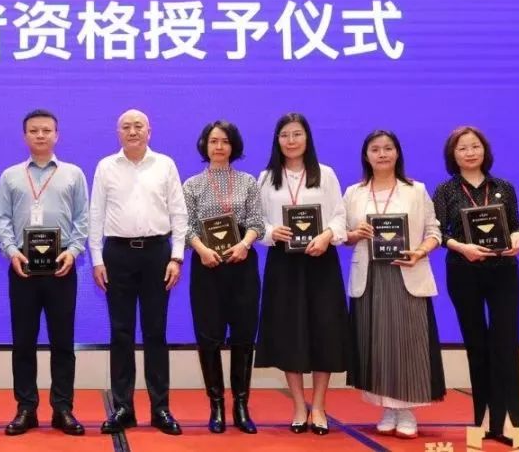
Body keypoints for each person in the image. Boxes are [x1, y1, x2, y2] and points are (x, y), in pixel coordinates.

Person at [343, 130, 446, 439]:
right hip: (370, 277)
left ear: (397, 153)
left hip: (406, 274)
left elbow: (434, 231)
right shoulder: (354, 193)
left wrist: (420, 252)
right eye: (375, 149)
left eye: (388, 148)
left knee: (408, 344)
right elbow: (342, 235)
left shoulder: (416, 190)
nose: (382, 154)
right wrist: (354, 234)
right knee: (376, 345)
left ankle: (407, 411)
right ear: (366, 156)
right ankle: (387, 408)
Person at [0, 109, 89, 437]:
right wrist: (11, 251)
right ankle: (26, 408)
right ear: (25, 136)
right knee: (23, 342)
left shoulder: (73, 174)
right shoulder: (10, 176)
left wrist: (73, 252)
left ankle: (63, 408)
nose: (40, 135)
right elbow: (1, 218)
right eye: (34, 130)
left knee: (63, 342)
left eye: (46, 130)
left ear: (56, 135)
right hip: (22, 267)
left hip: (61, 268)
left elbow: (83, 218)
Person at [90, 109, 186, 436]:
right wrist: (96, 259)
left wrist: (176, 257)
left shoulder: (165, 164)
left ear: (149, 131)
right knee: (121, 332)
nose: (132, 131)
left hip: (157, 253)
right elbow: (96, 213)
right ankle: (123, 408)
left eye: (138, 126)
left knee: (155, 332)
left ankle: (160, 408)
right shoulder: (106, 166)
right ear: (118, 133)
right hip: (116, 254)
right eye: (126, 127)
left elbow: (178, 213)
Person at [254, 112, 349, 436]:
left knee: (324, 330)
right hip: (283, 263)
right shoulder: (266, 177)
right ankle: (298, 405)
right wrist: (271, 232)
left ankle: (319, 406)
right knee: (288, 332)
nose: (291, 140)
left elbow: (340, 216)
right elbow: (257, 221)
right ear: (277, 140)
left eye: (297, 134)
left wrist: (327, 236)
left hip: (321, 261)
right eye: (285, 135)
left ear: (307, 138)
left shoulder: (326, 174)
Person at [433, 126, 519, 445]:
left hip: (504, 272)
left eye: (475, 146)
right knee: (477, 345)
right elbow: (437, 232)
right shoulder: (445, 190)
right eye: (462, 148)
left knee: (506, 344)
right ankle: (484, 420)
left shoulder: (504, 187)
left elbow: (517, 224)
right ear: (452, 155)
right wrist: (462, 247)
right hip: (464, 272)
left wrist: (517, 238)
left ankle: (511, 422)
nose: (470, 152)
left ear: (485, 150)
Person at [182, 120, 263, 434]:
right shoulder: (192, 185)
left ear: (234, 146)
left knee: (243, 335)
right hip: (207, 265)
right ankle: (216, 405)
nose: (219, 147)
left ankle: (241, 405)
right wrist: (202, 250)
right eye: (213, 141)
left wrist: (244, 244)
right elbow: (186, 226)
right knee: (209, 337)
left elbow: (256, 222)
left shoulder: (248, 181)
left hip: (242, 264)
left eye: (225, 141)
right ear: (205, 145)